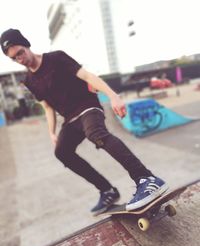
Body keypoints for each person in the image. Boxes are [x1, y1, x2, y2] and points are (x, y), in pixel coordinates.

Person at [0, 29, 168, 215]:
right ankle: (107, 190)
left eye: (20, 53)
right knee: (62, 152)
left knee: (95, 134)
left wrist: (112, 95)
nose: (20, 59)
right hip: (70, 119)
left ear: (26, 45)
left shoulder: (57, 58)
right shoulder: (29, 81)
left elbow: (87, 76)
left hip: (87, 106)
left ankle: (146, 179)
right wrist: (51, 133)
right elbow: (47, 108)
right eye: (14, 58)